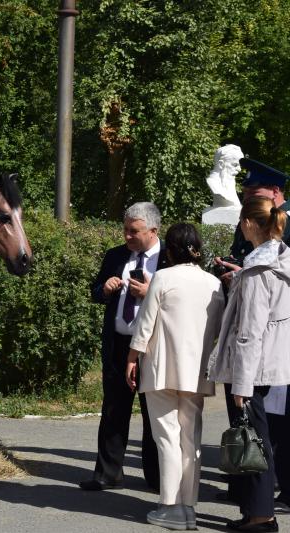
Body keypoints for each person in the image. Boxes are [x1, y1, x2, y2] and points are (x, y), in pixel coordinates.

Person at [124, 223, 225, 529]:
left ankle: (169, 505)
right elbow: (217, 330)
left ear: (170, 250)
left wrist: (132, 357)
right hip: (197, 372)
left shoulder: (163, 277)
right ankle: (188, 507)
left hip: (161, 369)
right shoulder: (213, 283)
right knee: (190, 439)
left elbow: (145, 323)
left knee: (167, 437)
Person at [208, 196, 290, 532]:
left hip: (252, 368)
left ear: (248, 223)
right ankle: (255, 511)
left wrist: (241, 383)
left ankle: (261, 517)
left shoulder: (258, 269)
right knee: (258, 439)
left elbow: (250, 332)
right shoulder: (279, 258)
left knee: (254, 441)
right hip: (270, 363)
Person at [80, 202, 167, 491]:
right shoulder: (116, 255)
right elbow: (95, 292)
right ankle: (108, 474)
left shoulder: (169, 258)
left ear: (153, 231)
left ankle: (157, 478)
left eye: (134, 231)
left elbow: (182, 299)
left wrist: (151, 292)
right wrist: (104, 290)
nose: (127, 236)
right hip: (118, 344)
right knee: (114, 410)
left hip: (153, 347)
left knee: (154, 412)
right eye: (125, 230)